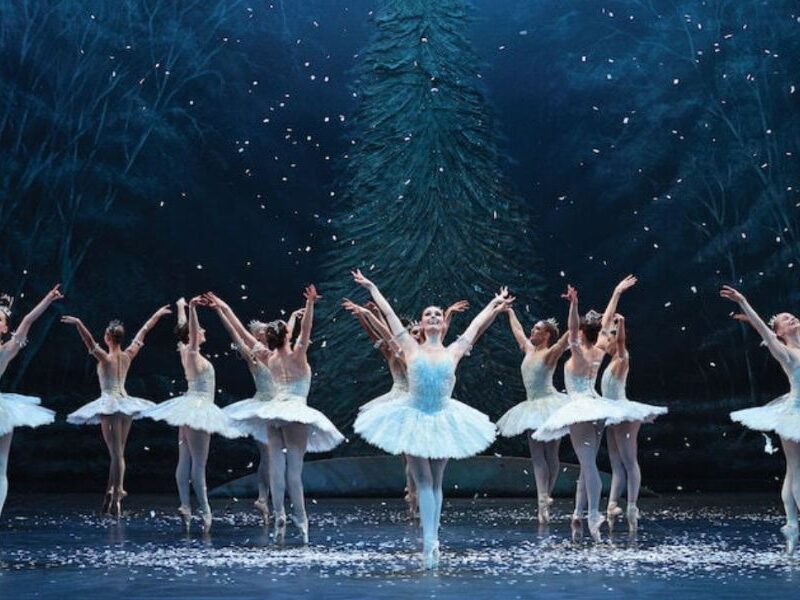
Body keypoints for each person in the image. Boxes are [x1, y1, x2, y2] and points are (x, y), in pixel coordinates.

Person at [352, 269, 508, 568]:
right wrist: (372, 286)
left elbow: (475, 326)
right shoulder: (409, 347)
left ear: (443, 323)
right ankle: (427, 544)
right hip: (412, 417)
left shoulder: (454, 350)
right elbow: (389, 314)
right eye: (429, 314)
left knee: (436, 483)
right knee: (423, 482)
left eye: (438, 314)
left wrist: (494, 303)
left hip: (444, 419)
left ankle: (434, 539)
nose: (434, 316)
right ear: (422, 324)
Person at [234, 285, 344, 544]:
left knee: (275, 468)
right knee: (294, 471)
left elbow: (243, 333)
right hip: (294, 411)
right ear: (286, 336)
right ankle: (302, 521)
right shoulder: (297, 355)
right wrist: (310, 305)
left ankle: (279, 513)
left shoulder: (268, 357)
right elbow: (305, 332)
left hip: (273, 413)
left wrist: (224, 310)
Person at [142, 296, 242, 534]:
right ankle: (205, 510)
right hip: (198, 409)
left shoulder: (183, 350)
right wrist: (194, 309)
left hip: (188, 406)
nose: (203, 331)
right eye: (200, 329)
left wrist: (181, 307)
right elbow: (193, 333)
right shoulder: (193, 353)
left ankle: (186, 506)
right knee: (198, 463)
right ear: (193, 335)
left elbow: (184, 331)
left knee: (184, 459)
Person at [63, 305, 171, 516]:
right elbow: (143, 332)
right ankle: (109, 492)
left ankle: (118, 495)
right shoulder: (128, 355)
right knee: (118, 452)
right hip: (125, 404)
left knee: (116, 453)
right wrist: (156, 314)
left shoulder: (106, 357)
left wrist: (78, 323)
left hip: (111, 404)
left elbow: (89, 342)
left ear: (108, 337)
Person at [721, 285, 800, 554]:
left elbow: (765, 332)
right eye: (785, 319)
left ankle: (791, 526)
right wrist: (743, 302)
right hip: (794, 414)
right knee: (796, 469)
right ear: (779, 332)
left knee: (793, 470)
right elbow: (766, 332)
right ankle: (793, 524)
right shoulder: (785, 353)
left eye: (793, 316)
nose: (792, 319)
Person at [495, 309, 569, 523]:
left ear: (546, 335)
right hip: (531, 407)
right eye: (533, 328)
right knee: (537, 456)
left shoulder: (550, 353)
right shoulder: (528, 349)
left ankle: (548, 494)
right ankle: (542, 500)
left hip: (550, 405)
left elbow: (565, 340)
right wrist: (509, 311)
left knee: (551, 454)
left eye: (537, 329)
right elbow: (517, 330)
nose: (532, 330)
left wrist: (576, 316)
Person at [0, 286, 61, 518]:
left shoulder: (6, 350)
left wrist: (47, 299)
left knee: (1, 466)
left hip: (2, 410)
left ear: (5, 327)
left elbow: (27, 320)